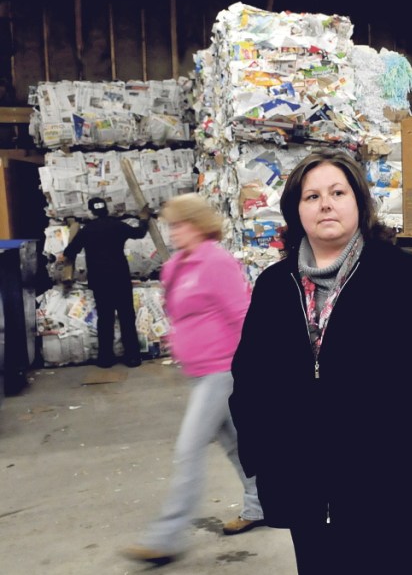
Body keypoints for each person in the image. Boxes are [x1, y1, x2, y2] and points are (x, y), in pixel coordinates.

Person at [229, 152, 412, 574]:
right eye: (312, 196)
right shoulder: (275, 286)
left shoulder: (406, 276)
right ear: (296, 210)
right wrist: (265, 462)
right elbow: (250, 380)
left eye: (338, 193)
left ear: (359, 202)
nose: (325, 204)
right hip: (306, 488)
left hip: (390, 488)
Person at [122, 194, 264, 565]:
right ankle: (261, 503)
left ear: (199, 224)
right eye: (171, 225)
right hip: (198, 371)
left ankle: (165, 538)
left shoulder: (216, 261)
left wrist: (255, 368)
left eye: (180, 224)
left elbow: (241, 314)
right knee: (236, 444)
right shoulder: (176, 266)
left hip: (222, 369)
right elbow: (179, 313)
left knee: (188, 449)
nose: (173, 232)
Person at [59, 197, 149, 367]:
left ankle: (105, 358)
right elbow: (139, 233)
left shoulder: (87, 230)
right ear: (106, 209)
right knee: (126, 316)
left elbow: (70, 251)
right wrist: (143, 220)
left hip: (100, 280)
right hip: (120, 278)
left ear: (91, 211)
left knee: (105, 318)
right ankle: (132, 357)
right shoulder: (118, 225)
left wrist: (63, 258)